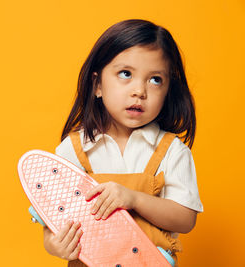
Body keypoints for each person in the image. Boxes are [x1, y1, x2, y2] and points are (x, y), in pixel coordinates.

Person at [42, 19, 203, 266]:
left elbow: (185, 218)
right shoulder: (73, 150)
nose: (140, 90)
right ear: (97, 85)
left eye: (155, 79)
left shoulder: (171, 151)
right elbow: (53, 217)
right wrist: (55, 244)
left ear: (168, 90)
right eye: (125, 74)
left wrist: (133, 199)